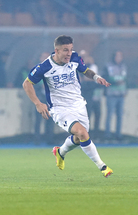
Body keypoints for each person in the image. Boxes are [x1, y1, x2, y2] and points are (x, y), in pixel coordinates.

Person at [22, 35, 113, 177]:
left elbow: (85, 70)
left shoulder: (75, 58)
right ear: (56, 51)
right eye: (65, 50)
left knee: (79, 138)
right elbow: (27, 84)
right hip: (60, 108)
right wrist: (38, 103)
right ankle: (102, 166)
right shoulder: (44, 67)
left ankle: (60, 152)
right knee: (83, 133)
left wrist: (97, 77)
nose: (69, 53)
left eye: (70, 49)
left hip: (79, 104)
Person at [104, 50, 127, 140]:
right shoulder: (108, 66)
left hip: (121, 94)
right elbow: (105, 78)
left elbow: (125, 79)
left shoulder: (124, 67)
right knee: (109, 115)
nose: (119, 58)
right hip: (111, 94)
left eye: (120, 56)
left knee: (120, 115)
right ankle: (107, 135)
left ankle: (118, 135)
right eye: (117, 56)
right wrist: (114, 82)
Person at [79, 53, 102, 135]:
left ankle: (95, 134)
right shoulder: (78, 68)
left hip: (95, 96)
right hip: (85, 96)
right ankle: (84, 134)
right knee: (86, 116)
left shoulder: (93, 67)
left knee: (97, 114)